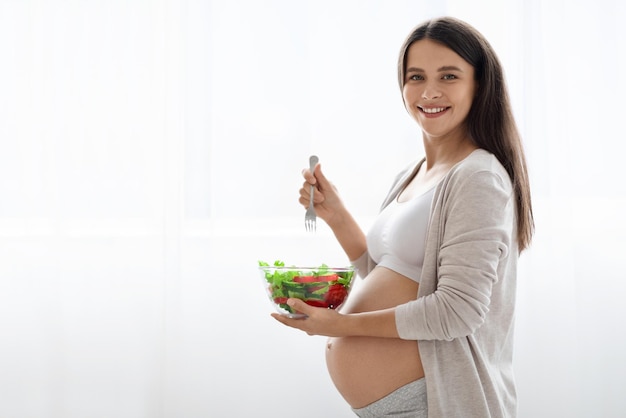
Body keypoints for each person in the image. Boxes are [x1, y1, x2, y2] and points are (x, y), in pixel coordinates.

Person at [271, 16, 534, 418]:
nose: (429, 91)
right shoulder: (412, 174)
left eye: (448, 76)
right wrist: (337, 215)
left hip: (436, 403)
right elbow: (388, 274)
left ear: (478, 85)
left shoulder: (478, 177)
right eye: (416, 77)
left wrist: (338, 327)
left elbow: (456, 312)